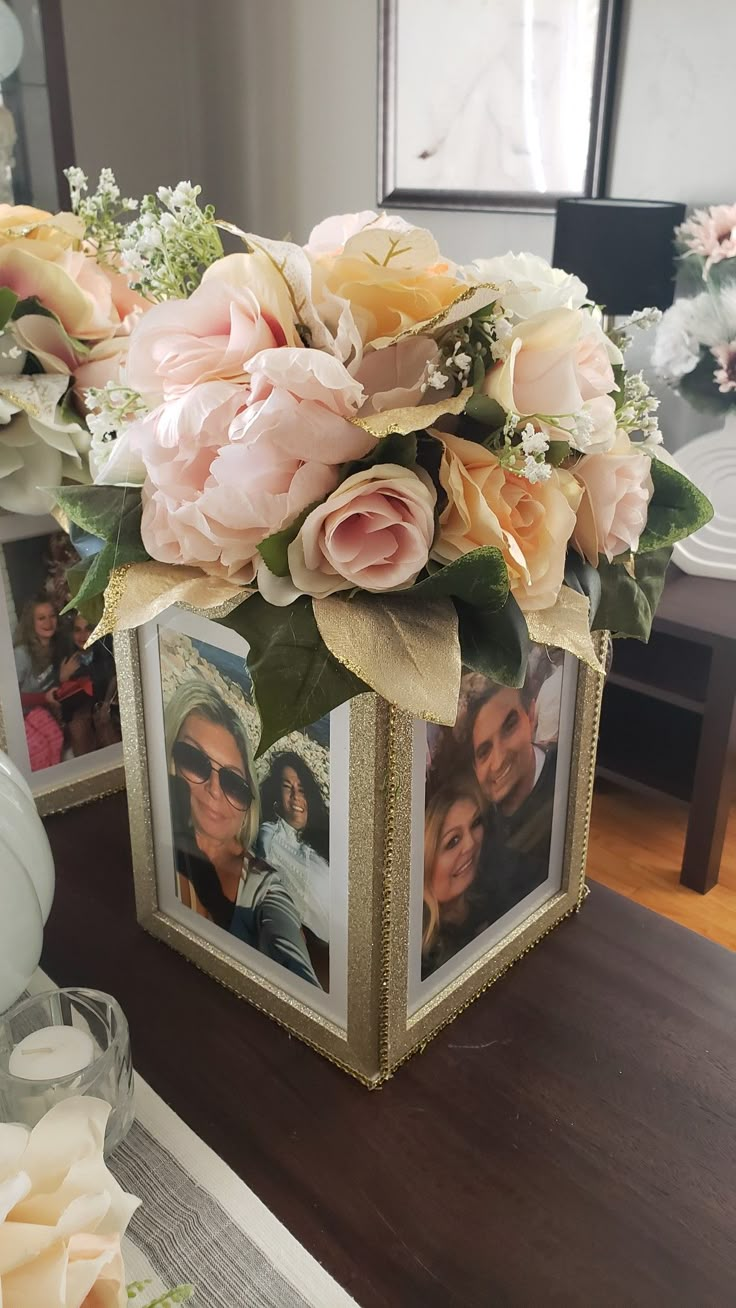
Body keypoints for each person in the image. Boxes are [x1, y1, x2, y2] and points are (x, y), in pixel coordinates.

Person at [166, 680, 320, 988]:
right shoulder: (154, 840)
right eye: (194, 761)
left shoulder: (264, 888)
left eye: (234, 784)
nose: (213, 789)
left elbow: (297, 974)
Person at [464, 681, 552, 920]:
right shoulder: (473, 826)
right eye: (484, 752)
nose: (499, 759)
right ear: (475, 767)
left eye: (509, 727)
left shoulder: (563, 782)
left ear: (531, 716)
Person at [257, 752, 330, 944]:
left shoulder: (322, 839)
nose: (296, 796)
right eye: (287, 788)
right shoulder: (271, 838)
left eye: (301, 789)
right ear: (276, 797)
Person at [421, 778, 489, 980]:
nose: (470, 844)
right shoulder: (427, 961)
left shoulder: (493, 891)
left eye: (476, 823)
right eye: (453, 841)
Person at [13, 598, 83, 771]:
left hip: (38, 711)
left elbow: (53, 689)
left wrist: (62, 678)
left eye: (52, 616)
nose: (48, 622)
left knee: (56, 737)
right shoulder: (21, 655)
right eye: (41, 618)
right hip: (17, 716)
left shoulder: (57, 647)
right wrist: (43, 697)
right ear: (31, 623)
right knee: (39, 748)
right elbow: (7, 698)